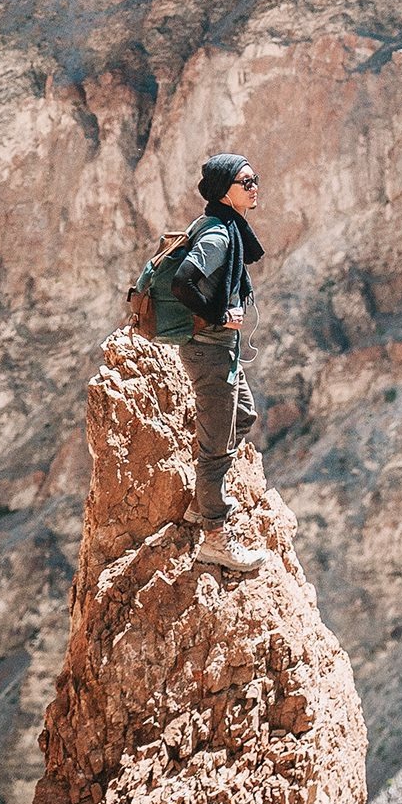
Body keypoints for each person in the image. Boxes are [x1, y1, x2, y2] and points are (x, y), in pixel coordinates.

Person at [172, 152, 267, 574]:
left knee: (243, 414)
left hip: (219, 349)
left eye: (254, 179)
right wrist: (218, 316)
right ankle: (214, 534)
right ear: (223, 191)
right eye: (245, 182)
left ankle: (200, 502)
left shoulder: (225, 225)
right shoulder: (218, 236)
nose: (253, 187)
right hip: (208, 349)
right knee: (215, 447)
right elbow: (182, 283)